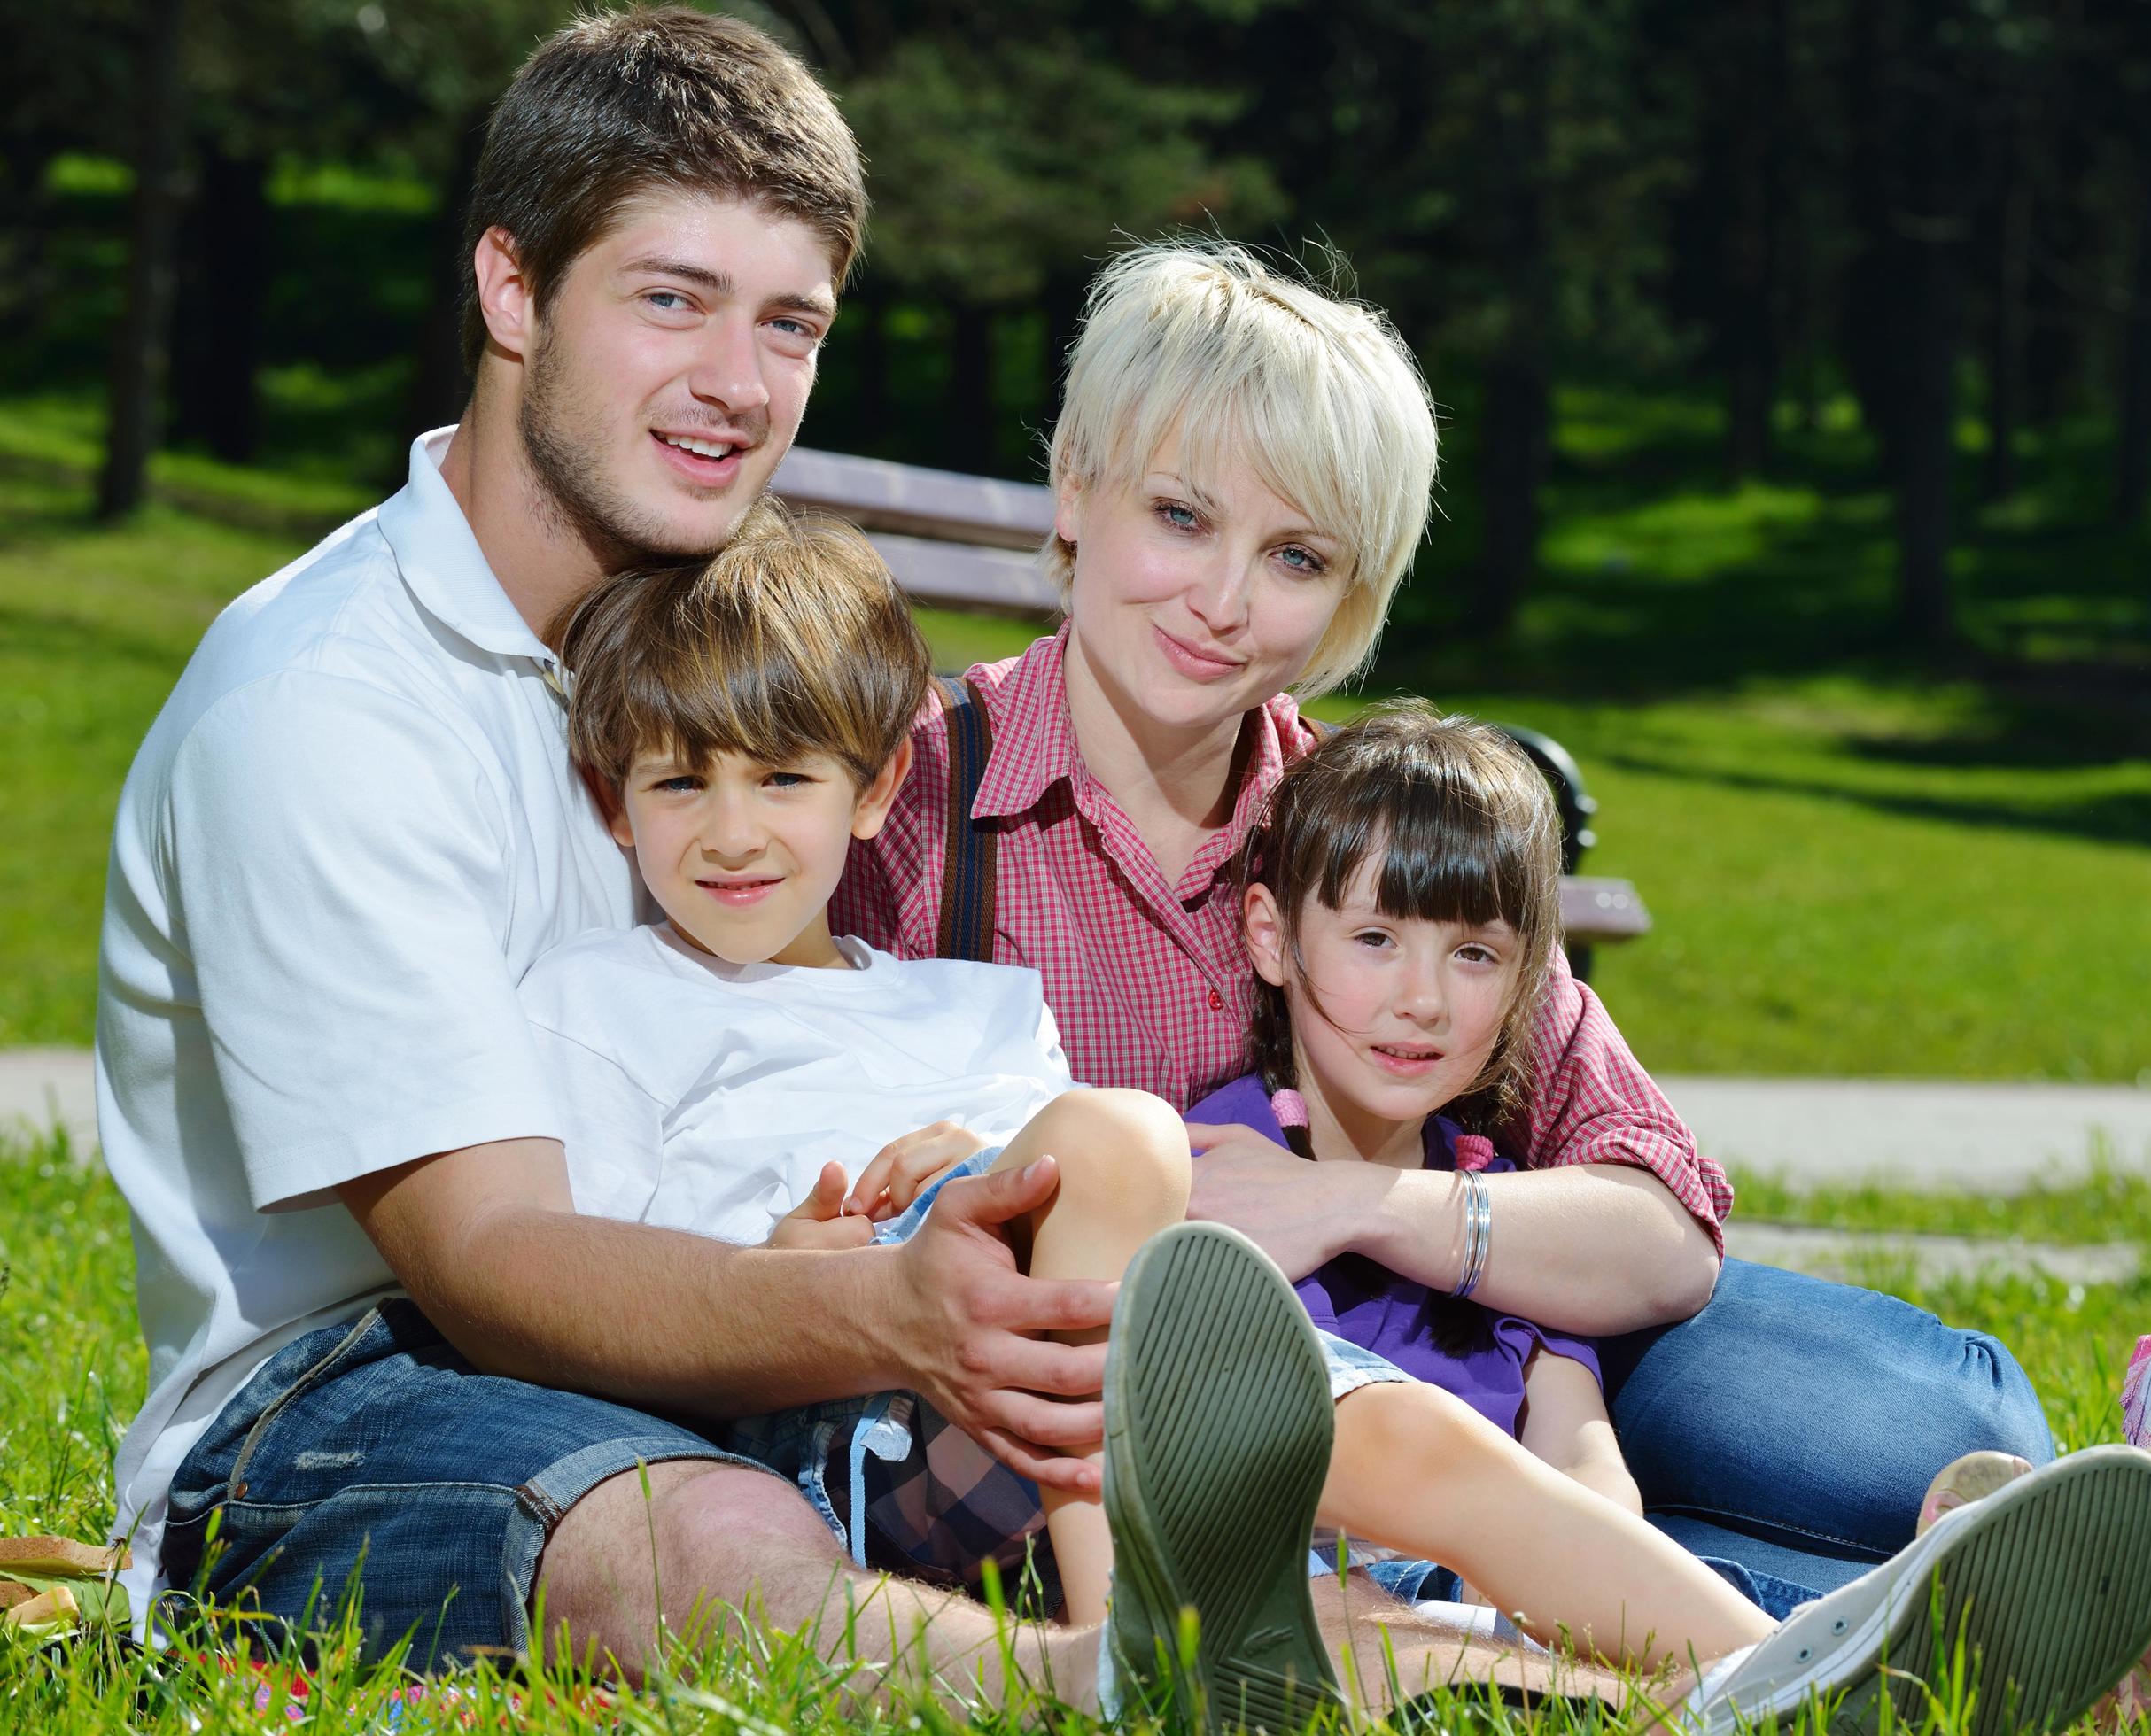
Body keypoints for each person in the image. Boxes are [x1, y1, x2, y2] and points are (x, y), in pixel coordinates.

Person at [95, 13, 1571, 1718]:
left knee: (1328, 1427)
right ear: (511, 293)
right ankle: (1107, 1683)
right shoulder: (328, 702)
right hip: (336, 1398)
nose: (737, 379)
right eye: (672, 298)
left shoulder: (695, 667)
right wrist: (884, 1314)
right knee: (706, 1539)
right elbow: (487, 1256)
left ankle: (1725, 1649)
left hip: (712, 1323)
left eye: (787, 322)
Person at [526, 518, 2151, 1733]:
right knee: (1118, 1140)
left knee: (1389, 1500)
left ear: (870, 795)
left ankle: (1762, 1685)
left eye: (779, 782)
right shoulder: (600, 1010)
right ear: (614, 801)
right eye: (679, 785)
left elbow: (1651, 1182)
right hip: (891, 1405)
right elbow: (591, 1298)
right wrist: (788, 1264)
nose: (733, 831)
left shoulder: (962, 1005)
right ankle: (1133, 1651)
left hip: (1112, 1364)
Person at [829, 238, 2057, 1604]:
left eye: (1294, 555)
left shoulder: (1365, 823)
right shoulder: (906, 794)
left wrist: (1349, 1203)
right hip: (1147, 1434)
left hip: (1445, 1337)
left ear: (1351, 592)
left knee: (1953, 1430)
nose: (1225, 602)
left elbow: (1659, 1224)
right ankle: (1872, 1620)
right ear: (1076, 485)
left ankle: (1941, 1586)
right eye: (1180, 517)